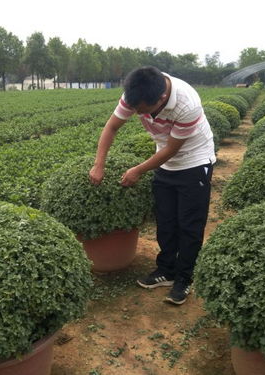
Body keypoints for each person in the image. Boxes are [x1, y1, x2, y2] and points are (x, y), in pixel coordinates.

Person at [89, 66, 216, 305]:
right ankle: (166, 270)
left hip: (194, 161)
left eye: (141, 110)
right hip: (164, 163)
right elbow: (112, 127)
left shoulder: (187, 105)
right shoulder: (136, 94)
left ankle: (184, 279)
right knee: (166, 221)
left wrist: (138, 170)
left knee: (189, 224)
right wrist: (99, 164)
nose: (136, 113)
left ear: (160, 99)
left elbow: (172, 149)